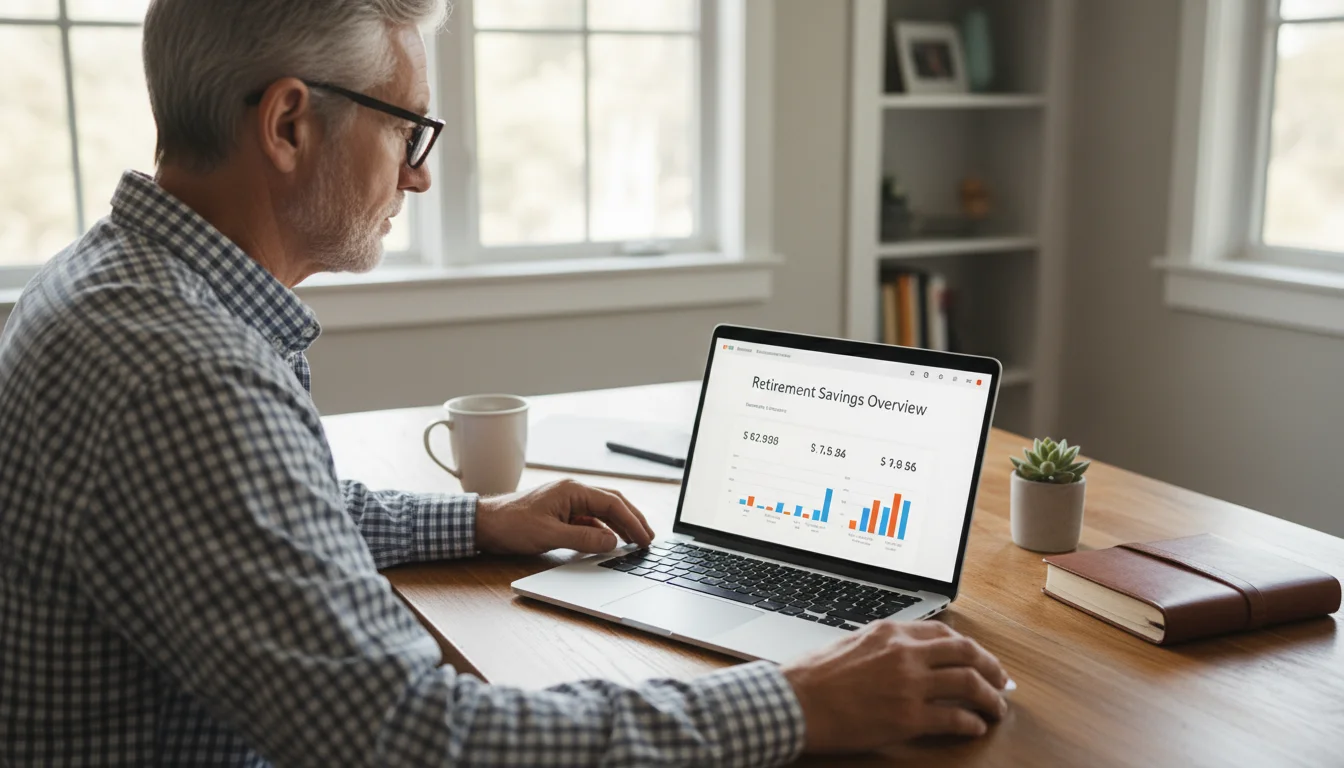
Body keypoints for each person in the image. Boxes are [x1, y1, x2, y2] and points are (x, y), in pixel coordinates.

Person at [0, 1, 1010, 765]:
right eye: (409, 129)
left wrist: (483, 525)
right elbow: (413, 738)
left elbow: (264, 516)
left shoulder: (114, 283)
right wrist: (800, 704)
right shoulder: (188, 370)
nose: (419, 177)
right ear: (289, 125)